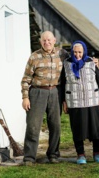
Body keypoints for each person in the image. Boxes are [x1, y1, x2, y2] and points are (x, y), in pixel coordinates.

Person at [21, 31, 69, 164]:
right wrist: (25, 97)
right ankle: (29, 157)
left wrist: (91, 61)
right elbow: (26, 79)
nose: (46, 43)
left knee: (55, 125)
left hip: (55, 92)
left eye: (49, 40)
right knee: (33, 126)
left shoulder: (63, 54)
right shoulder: (34, 56)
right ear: (40, 42)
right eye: (44, 40)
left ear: (54, 40)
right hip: (37, 93)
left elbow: (77, 62)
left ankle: (53, 155)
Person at [61, 40, 99, 165]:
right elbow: (62, 84)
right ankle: (80, 155)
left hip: (92, 101)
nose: (77, 55)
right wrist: (63, 102)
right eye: (75, 52)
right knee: (77, 130)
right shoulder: (66, 64)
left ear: (84, 51)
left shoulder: (91, 63)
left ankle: (97, 154)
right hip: (75, 103)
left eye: (80, 52)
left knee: (96, 129)